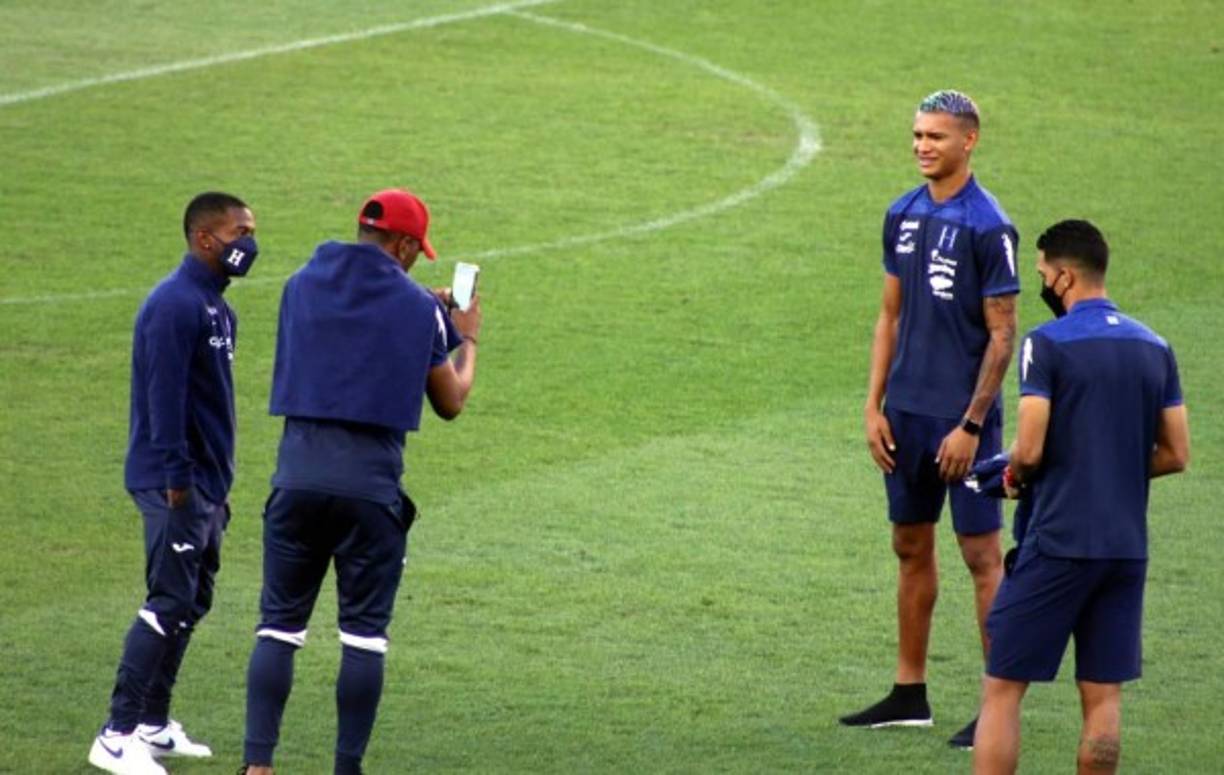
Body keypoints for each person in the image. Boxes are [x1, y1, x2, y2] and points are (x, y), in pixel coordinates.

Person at [240, 188, 482, 775]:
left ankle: (257, 766)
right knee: (363, 639)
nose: (415, 260)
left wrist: (425, 311)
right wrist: (466, 335)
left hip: (295, 483)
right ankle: (346, 768)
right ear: (401, 243)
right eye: (414, 251)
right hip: (369, 495)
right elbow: (450, 401)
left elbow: (353, 329)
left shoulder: (301, 284)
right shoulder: (415, 306)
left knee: (278, 628)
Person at [972, 220, 1190, 774]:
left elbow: (1027, 448)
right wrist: (1111, 465)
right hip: (1124, 548)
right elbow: (1175, 453)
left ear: (1065, 276)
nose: (1042, 282)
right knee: (1102, 696)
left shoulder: (1046, 344)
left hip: (1059, 540)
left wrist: (1016, 476)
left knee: (1001, 687)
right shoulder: (1155, 347)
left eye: (1043, 273)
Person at [843, 90, 1019, 748]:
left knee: (980, 553)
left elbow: (1002, 336)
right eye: (917, 134)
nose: (922, 146)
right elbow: (889, 314)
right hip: (907, 417)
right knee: (909, 546)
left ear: (969, 141)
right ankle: (909, 691)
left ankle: (996, 705)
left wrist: (971, 426)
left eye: (936, 137)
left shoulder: (988, 225)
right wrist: (872, 406)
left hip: (961, 423)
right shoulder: (902, 213)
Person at [89, 192, 259, 775]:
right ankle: (115, 735)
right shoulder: (173, 304)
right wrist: (176, 479)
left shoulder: (216, 308)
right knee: (167, 602)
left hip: (206, 485)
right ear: (204, 238)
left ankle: (153, 724)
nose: (249, 243)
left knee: (192, 601)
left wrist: (216, 485)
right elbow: (163, 398)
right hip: (174, 484)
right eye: (239, 232)